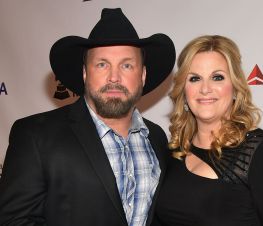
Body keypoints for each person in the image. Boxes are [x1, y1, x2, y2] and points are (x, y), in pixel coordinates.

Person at [0, 8, 175, 226]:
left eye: (127, 65)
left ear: (143, 75)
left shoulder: (157, 138)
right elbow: (15, 221)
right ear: (85, 73)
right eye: (102, 64)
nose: (114, 77)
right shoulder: (35, 135)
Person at [153, 35, 263, 226]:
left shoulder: (258, 152)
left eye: (217, 77)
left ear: (236, 88)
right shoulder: (174, 152)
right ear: (183, 90)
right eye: (195, 78)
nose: (205, 89)